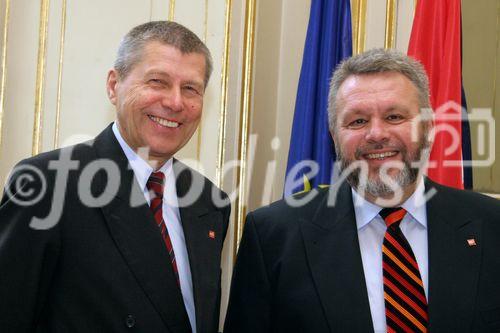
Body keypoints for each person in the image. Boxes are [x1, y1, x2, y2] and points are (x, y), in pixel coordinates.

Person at [224, 49, 500, 332]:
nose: (376, 134)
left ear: (428, 128)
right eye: (358, 121)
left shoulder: (491, 225)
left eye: (394, 116)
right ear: (334, 136)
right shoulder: (274, 236)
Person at [0, 21, 230, 333]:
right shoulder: (47, 184)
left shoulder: (210, 202)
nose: (175, 102)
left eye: (190, 88)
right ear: (113, 85)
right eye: (157, 82)